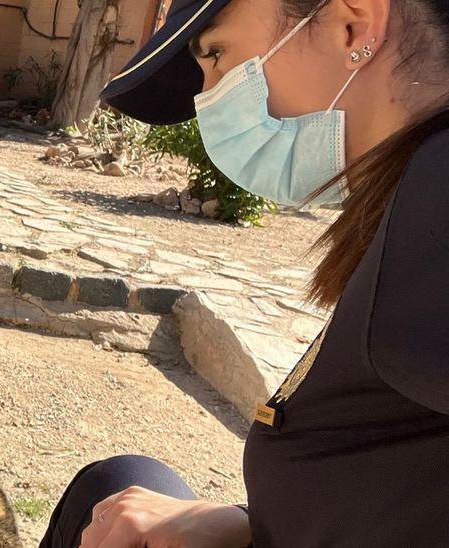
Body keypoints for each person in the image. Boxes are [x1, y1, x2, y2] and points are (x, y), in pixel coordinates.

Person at [39, 0, 449, 546]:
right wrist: (244, 525)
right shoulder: (410, 196)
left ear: (353, 25)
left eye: (216, 55)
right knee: (115, 486)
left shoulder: (437, 198)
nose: (208, 100)